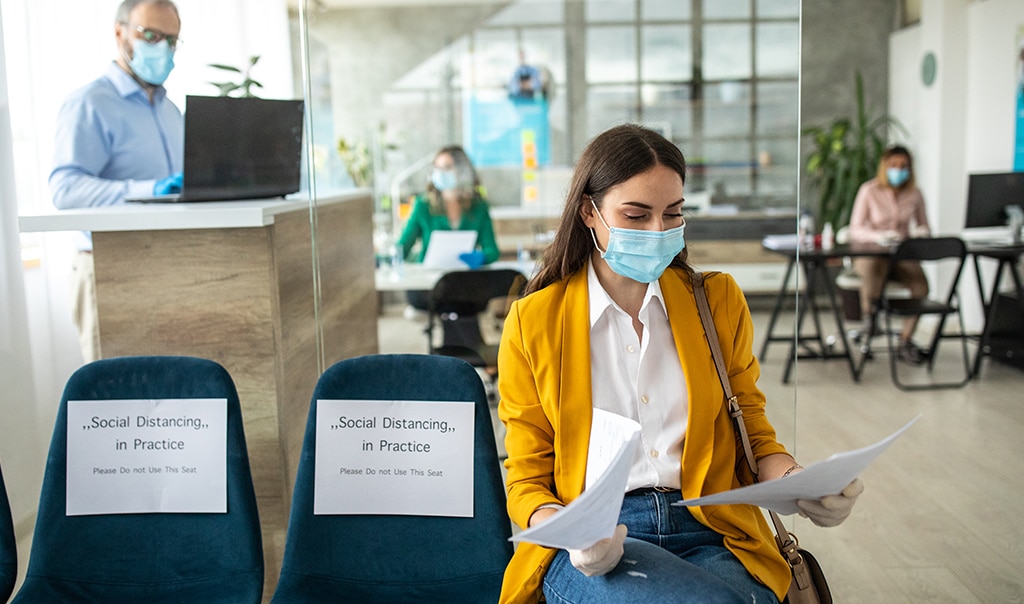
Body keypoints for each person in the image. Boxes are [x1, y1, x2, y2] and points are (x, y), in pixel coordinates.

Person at [497, 124, 864, 604]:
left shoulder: (715, 302)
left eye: (673, 214)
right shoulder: (534, 322)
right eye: (636, 214)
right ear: (590, 211)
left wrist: (801, 484)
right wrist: (575, 533)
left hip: (713, 529)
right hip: (599, 539)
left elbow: (752, 436)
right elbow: (526, 480)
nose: (658, 231)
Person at [50, 0, 185, 363]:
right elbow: (66, 189)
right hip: (108, 272)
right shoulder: (89, 104)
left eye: (172, 40)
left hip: (170, 268)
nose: (163, 48)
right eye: (151, 35)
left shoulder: (172, 112)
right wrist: (148, 191)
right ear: (119, 32)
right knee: (114, 402)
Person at [848, 144, 931, 363]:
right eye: (893, 165)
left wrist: (919, 233)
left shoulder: (915, 194)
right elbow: (855, 228)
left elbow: (925, 226)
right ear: (884, 166)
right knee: (874, 270)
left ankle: (905, 341)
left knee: (921, 286)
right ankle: (869, 326)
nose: (898, 170)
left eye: (903, 166)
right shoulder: (869, 190)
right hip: (872, 253)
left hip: (901, 254)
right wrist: (879, 236)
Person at [396, 145, 500, 309]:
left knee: (460, 299)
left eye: (447, 168)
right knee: (454, 303)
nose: (440, 173)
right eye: (437, 168)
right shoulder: (423, 206)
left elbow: (492, 250)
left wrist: (481, 257)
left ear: (462, 171)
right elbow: (402, 247)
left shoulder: (479, 207)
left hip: (464, 282)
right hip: (428, 285)